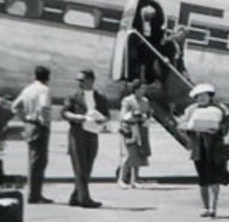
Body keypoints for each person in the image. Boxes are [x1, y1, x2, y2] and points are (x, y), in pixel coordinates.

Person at [179, 82, 229, 219]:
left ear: (210, 96)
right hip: (198, 147)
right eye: (198, 96)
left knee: (214, 178)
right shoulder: (191, 109)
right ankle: (205, 206)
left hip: (215, 147)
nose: (201, 99)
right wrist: (190, 129)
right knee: (202, 179)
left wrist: (219, 129)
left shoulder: (221, 108)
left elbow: (228, 123)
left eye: (204, 96)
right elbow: (182, 125)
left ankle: (213, 207)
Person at [62, 68, 111, 208]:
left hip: (92, 133)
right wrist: (77, 117)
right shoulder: (73, 97)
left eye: (82, 80)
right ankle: (85, 199)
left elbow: (107, 114)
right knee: (80, 166)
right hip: (77, 134)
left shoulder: (100, 98)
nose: (79, 83)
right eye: (78, 80)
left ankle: (75, 196)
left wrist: (103, 120)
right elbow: (64, 112)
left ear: (91, 81)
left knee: (88, 166)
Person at [11, 65, 54, 203]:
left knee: (33, 160)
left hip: (29, 125)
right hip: (39, 126)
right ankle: (35, 195)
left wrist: (24, 118)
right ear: (47, 77)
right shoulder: (44, 90)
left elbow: (15, 106)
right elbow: (44, 108)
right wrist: (45, 123)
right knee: (39, 162)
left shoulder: (28, 89)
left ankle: (34, 193)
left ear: (35, 76)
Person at [117, 79, 152, 188]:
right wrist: (134, 114)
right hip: (130, 129)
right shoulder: (127, 100)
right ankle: (121, 179)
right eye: (142, 88)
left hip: (142, 129)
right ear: (136, 89)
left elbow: (147, 113)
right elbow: (123, 115)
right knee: (129, 155)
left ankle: (134, 180)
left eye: (145, 88)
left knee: (139, 154)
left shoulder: (145, 101)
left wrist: (146, 117)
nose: (144, 91)